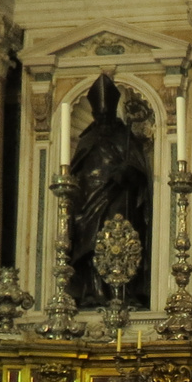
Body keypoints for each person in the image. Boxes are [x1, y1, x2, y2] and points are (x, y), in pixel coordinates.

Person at [69, 74, 154, 308]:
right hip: (89, 198)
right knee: (90, 245)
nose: (102, 119)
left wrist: (128, 171)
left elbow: (139, 170)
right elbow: (74, 169)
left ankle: (121, 293)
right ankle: (93, 292)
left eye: (106, 115)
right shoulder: (88, 137)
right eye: (99, 115)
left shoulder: (124, 136)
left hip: (118, 198)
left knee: (119, 241)